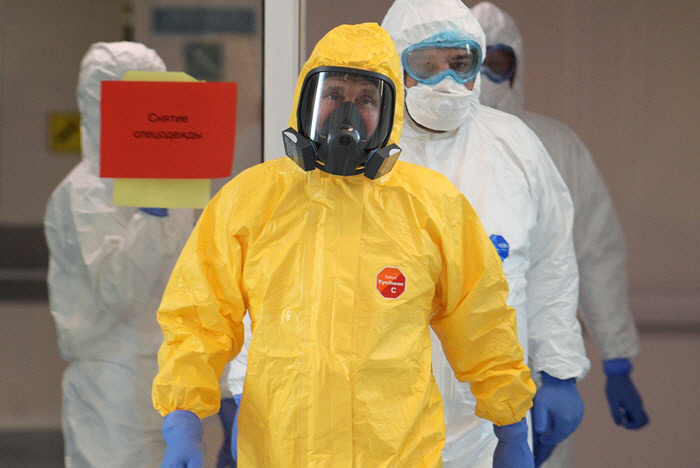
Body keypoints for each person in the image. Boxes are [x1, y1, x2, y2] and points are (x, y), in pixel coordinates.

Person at [152, 22, 537, 468]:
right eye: (333, 94)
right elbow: (198, 316)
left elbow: (481, 318)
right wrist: (183, 415)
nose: (347, 113)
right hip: (281, 451)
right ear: (306, 99)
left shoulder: (432, 207)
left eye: (367, 100)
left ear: (390, 111)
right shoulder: (252, 200)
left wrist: (511, 423)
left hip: (395, 455)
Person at [380, 1, 591, 467]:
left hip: (495, 418)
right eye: (426, 65)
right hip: (381, 419)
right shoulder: (367, 153)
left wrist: (559, 371)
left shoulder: (514, 145)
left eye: (461, 64)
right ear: (393, 65)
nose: (446, 82)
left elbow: (552, 261)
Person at [472, 1, 650, 465]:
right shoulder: (419, 148)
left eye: (499, 62)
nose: (486, 75)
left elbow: (593, 251)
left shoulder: (553, 145)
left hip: (535, 366)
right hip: (443, 368)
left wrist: (616, 358)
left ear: (517, 67)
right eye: (475, 60)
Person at [44, 42, 197, 467]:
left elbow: (195, 288)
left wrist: (219, 386)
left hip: (174, 383)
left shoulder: (174, 185)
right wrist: (150, 216)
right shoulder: (83, 193)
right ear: (98, 106)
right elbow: (120, 292)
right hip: (111, 388)